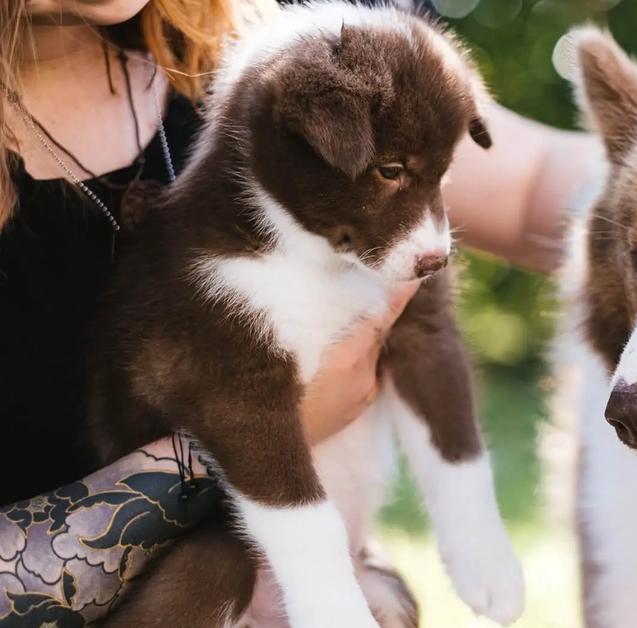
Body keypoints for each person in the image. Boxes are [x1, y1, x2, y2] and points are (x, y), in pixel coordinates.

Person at [0, 0, 600, 624]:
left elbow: (533, 184)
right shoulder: (294, 102)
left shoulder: (279, 37)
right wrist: (227, 453)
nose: (433, 240)